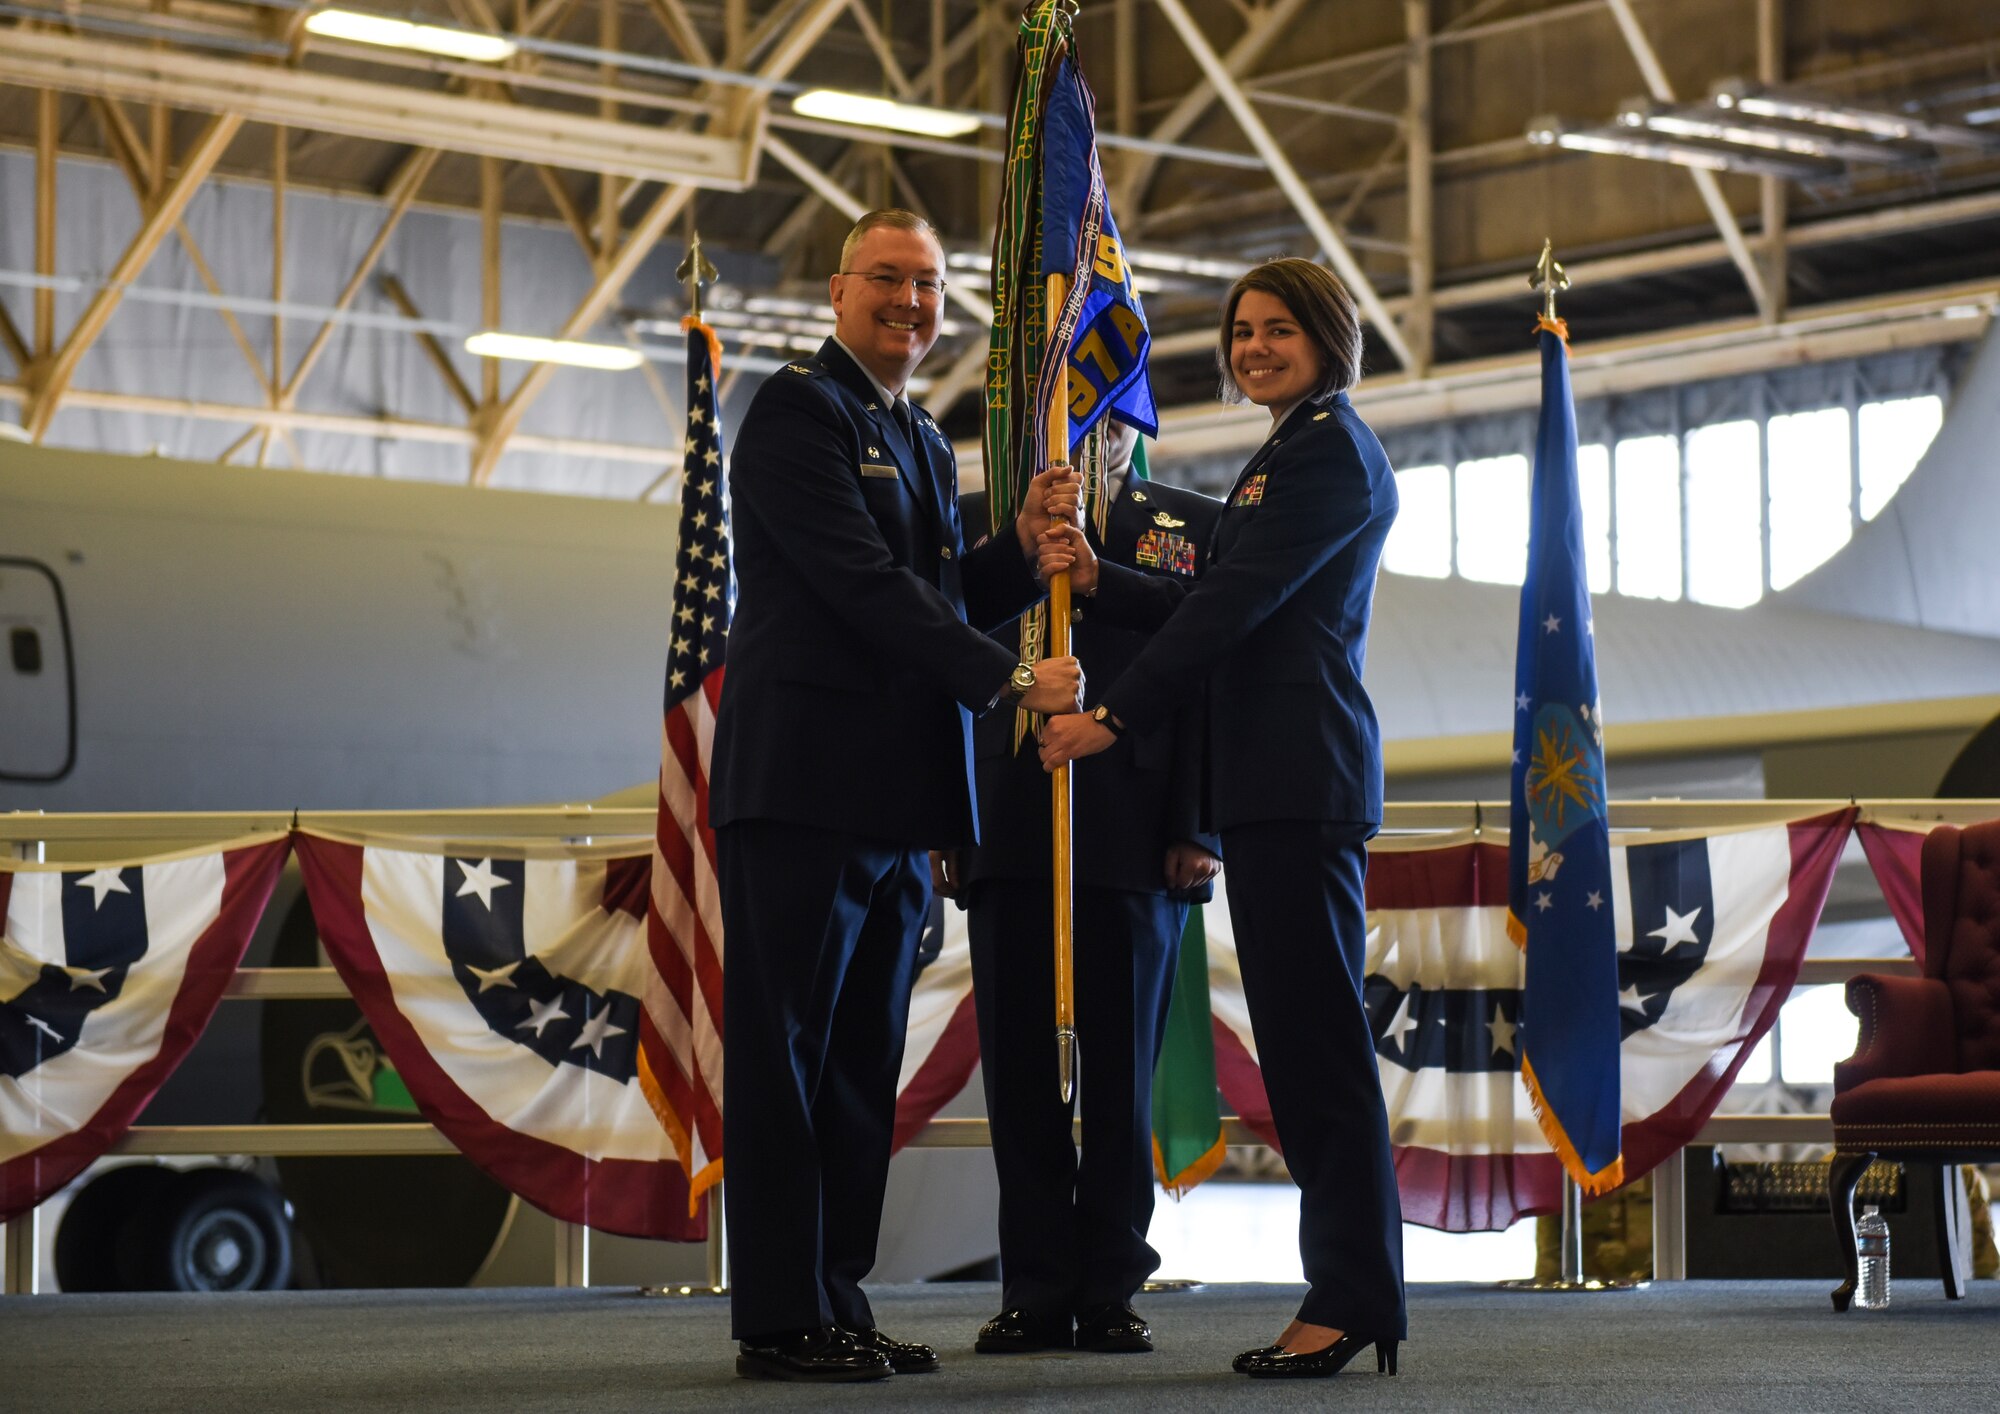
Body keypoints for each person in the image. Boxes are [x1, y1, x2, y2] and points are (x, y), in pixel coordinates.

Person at [710, 208, 1086, 1383]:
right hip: (801, 790)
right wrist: (1017, 680)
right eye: (887, 279)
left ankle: (835, 1295)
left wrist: (1014, 552)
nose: (910, 304)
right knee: (783, 1054)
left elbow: (935, 589)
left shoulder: (922, 437)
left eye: (928, 287)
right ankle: (777, 1315)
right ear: (836, 291)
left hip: (893, 805)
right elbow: (861, 588)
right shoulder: (791, 413)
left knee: (858, 1067)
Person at [1038, 257, 1407, 1380]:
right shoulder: (1287, 450)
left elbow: (1236, 613)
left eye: (1277, 329)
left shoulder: (1332, 456)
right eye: (1240, 331)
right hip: (1268, 785)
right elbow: (1207, 596)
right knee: (1300, 1044)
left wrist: (1110, 716)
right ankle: (1353, 1291)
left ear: (1327, 336)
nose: (1252, 347)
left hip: (1302, 780)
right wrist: (1101, 582)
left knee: (1315, 1049)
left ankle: (1348, 1295)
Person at [943, 426, 1222, 1357]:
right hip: (1005, 827)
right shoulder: (986, 528)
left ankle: (1108, 1288)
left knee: (1118, 1083)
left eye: (1105, 407)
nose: (1084, 423)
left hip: (1132, 831)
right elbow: (939, 663)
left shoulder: (1179, 522)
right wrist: (951, 818)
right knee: (1019, 1080)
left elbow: (1201, 669)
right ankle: (1033, 1287)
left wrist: (1196, 823)